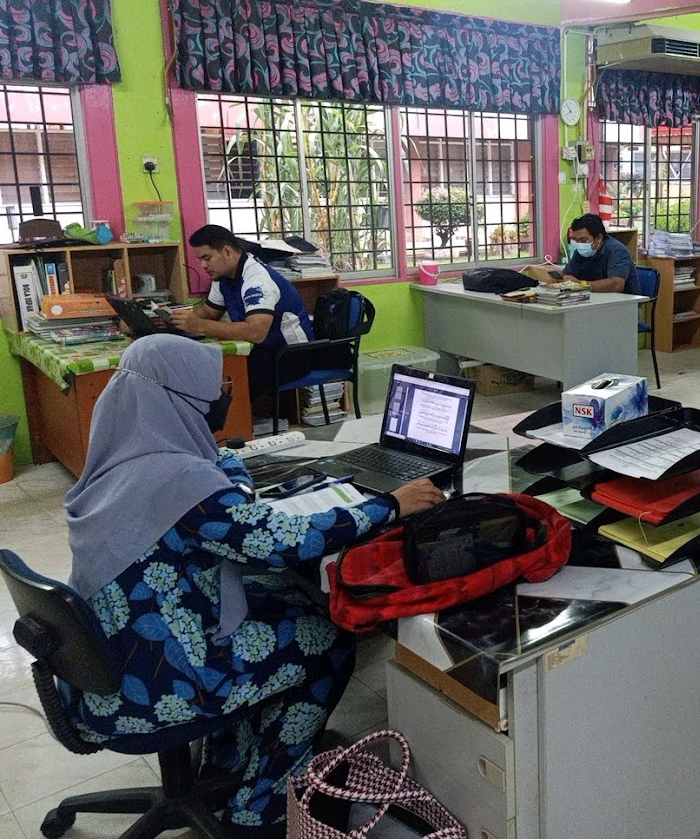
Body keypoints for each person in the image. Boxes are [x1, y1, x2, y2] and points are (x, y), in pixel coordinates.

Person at [64, 335, 446, 838]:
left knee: (277, 597)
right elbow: (285, 543)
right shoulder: (180, 481)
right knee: (327, 638)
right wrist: (391, 504)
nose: (221, 395)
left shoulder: (122, 458)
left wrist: (226, 465)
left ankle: (227, 763)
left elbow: (211, 498)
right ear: (179, 400)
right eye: (213, 388)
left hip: (108, 662)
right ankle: (260, 806)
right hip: (154, 686)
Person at [171, 225, 316, 388]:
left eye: (207, 258)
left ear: (227, 252)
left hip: (291, 354)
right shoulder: (223, 277)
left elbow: (255, 332)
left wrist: (199, 325)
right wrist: (178, 322)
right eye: (200, 260)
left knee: (226, 380)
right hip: (260, 349)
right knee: (206, 369)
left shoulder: (257, 279)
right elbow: (209, 312)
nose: (203, 266)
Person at [559, 214, 641, 295]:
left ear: (599, 238)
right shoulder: (580, 252)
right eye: (577, 240)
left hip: (624, 301)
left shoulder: (616, 250)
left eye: (583, 240)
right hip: (594, 298)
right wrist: (557, 278)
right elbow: (567, 274)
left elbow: (617, 285)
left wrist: (581, 284)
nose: (580, 244)